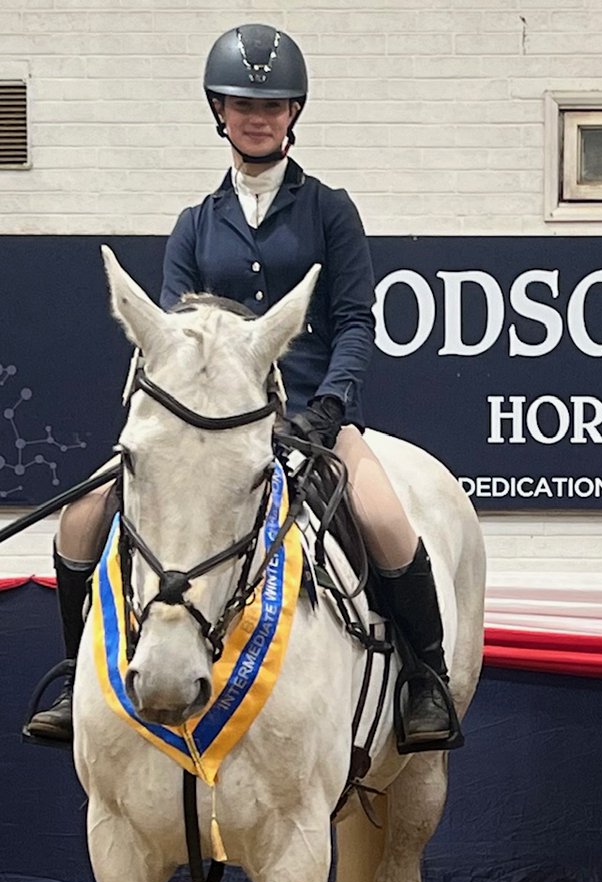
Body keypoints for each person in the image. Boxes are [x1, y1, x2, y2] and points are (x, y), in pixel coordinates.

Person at [25, 23, 456, 753]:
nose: (259, 117)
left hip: (315, 416)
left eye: (274, 105)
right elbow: (171, 336)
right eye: (243, 104)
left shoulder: (330, 211)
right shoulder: (196, 224)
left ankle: (425, 680)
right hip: (214, 424)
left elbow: (355, 321)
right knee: (79, 520)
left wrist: (331, 406)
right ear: (219, 112)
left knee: (384, 518)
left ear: (294, 114)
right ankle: (76, 674)